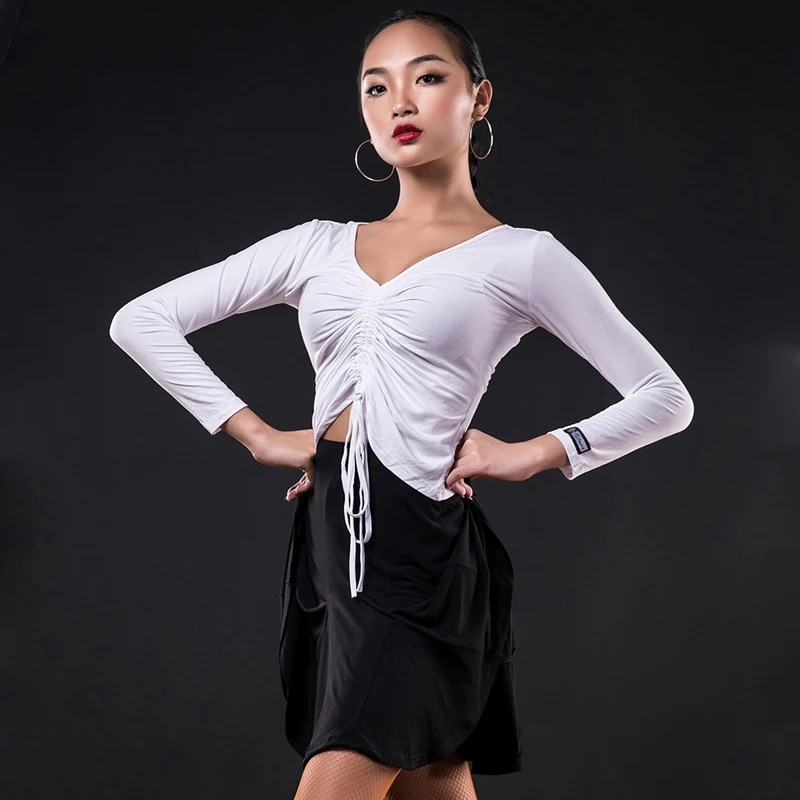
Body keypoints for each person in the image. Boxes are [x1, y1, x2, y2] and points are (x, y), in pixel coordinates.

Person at [108, 9, 694, 800]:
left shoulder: (524, 258)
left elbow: (665, 398)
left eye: (428, 77)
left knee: (350, 769)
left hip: (422, 546)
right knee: (428, 778)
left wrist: (532, 453)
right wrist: (254, 433)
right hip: (332, 541)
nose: (399, 103)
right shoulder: (315, 245)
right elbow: (142, 320)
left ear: (479, 97)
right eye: (376, 87)